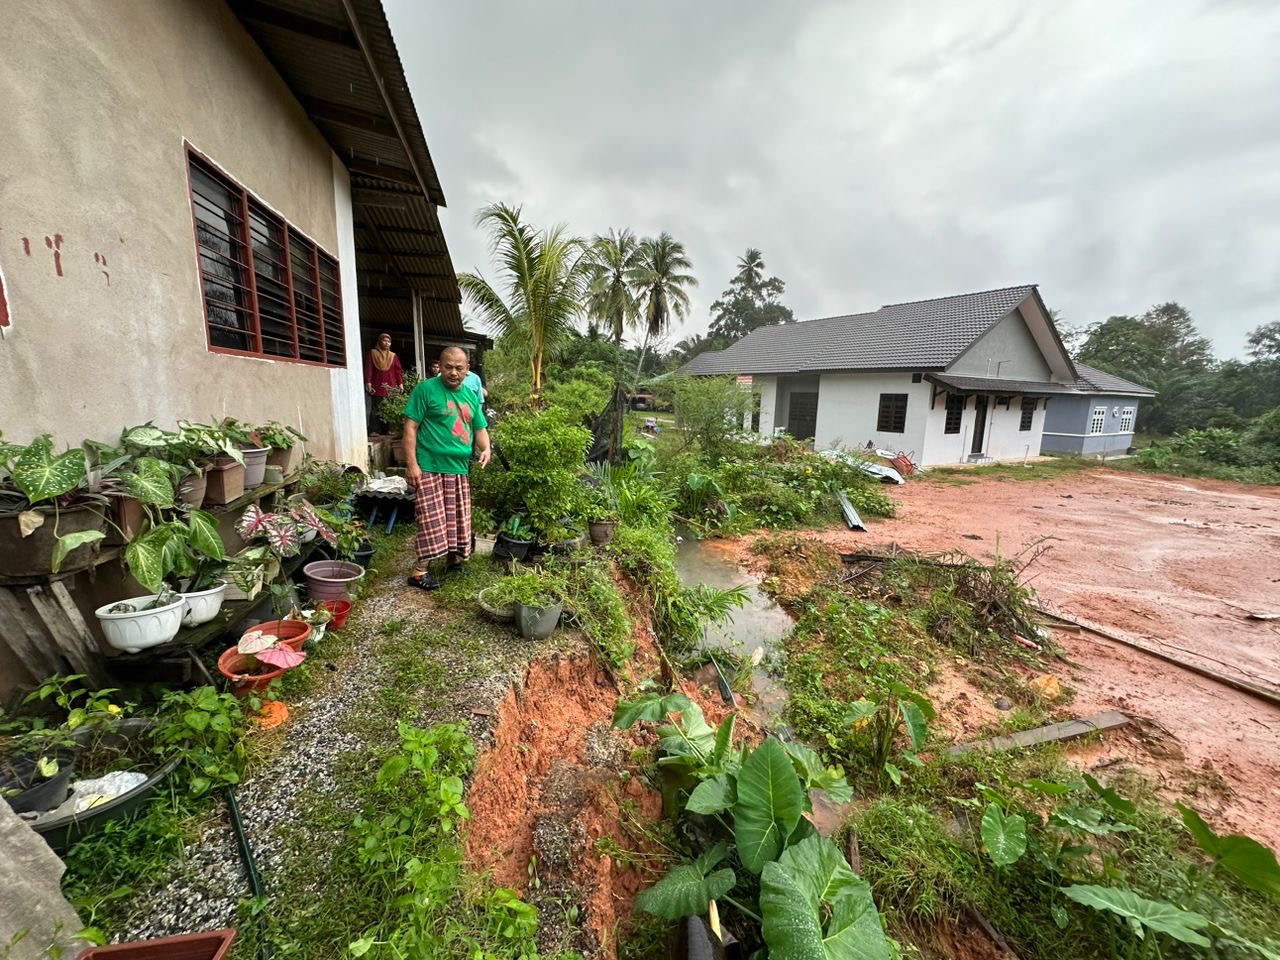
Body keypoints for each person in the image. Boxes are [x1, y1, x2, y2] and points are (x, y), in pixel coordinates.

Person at [402, 346, 490, 590]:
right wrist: (412, 464)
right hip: (429, 466)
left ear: (467, 370)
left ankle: (453, 560)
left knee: (456, 517)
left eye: (459, 368)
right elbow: (410, 428)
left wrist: (486, 449)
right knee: (431, 518)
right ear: (439, 366)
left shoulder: (471, 395)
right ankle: (419, 572)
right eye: (448, 367)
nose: (453, 372)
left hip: (459, 468)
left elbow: (479, 428)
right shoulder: (425, 390)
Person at [364, 333, 404, 433]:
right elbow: (368, 368)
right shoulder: (372, 353)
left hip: (391, 386)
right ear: (379, 341)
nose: (387, 343)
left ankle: (388, 430)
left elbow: (398, 371)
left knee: (389, 408)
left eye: (389, 341)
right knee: (376, 408)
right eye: (384, 341)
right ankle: (374, 430)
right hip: (377, 385)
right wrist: (368, 382)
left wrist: (400, 384)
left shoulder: (393, 356)